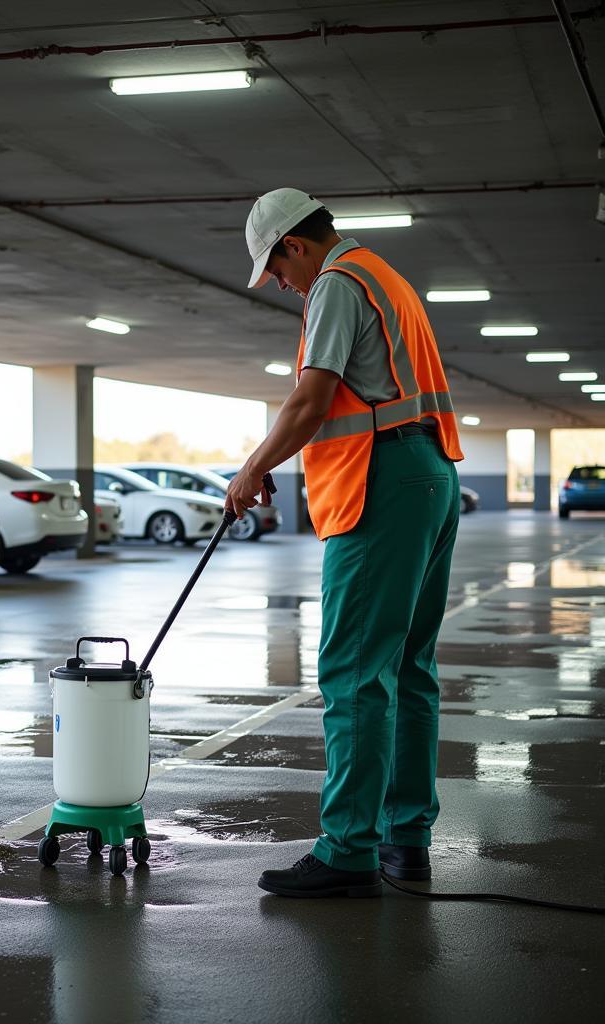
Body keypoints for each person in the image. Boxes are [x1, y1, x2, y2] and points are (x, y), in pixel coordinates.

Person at [228, 188, 463, 898]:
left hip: (381, 482)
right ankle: (405, 840)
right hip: (431, 477)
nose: (279, 283)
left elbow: (311, 397)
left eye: (274, 269)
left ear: (295, 245)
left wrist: (252, 468)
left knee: (355, 673)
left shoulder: (335, 282)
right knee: (409, 669)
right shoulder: (386, 276)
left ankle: (347, 849)